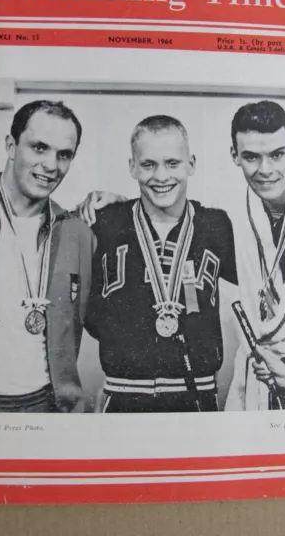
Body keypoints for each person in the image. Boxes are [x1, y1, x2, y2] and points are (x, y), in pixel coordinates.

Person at [84, 115, 237, 413]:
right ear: (132, 167)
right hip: (124, 396)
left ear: (191, 164)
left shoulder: (216, 225)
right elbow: (88, 312)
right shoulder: (107, 222)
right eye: (148, 164)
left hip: (198, 395)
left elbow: (260, 275)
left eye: (172, 163)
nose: (161, 176)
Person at [0, 100, 94, 413]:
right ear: (11, 146)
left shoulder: (78, 234)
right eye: (39, 147)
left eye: (64, 154)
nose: (51, 165)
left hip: (47, 406)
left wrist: (122, 205)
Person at [224, 100, 285, 410]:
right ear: (235, 156)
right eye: (251, 157)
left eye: (277, 154)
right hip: (260, 374)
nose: (265, 170)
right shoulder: (230, 219)